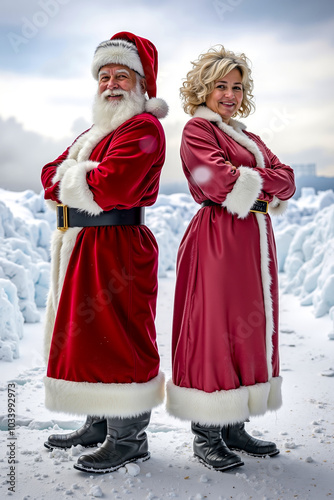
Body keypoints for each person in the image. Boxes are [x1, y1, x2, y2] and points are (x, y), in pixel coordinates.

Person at [41, 31, 168, 474]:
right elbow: (47, 175)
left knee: (122, 337)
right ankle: (99, 424)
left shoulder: (144, 128)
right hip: (85, 245)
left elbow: (112, 186)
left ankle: (129, 439)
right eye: (105, 76)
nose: (111, 84)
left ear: (141, 83)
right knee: (89, 335)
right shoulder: (100, 129)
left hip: (118, 246)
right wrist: (76, 176)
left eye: (122, 76)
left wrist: (74, 177)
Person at [166, 45, 295, 472]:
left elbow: (288, 181)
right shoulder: (196, 131)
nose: (229, 94)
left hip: (253, 240)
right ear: (203, 88)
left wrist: (253, 179)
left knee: (249, 328)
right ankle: (207, 432)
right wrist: (262, 181)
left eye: (236, 87)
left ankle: (235, 425)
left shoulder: (246, 136)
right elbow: (219, 183)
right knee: (214, 327)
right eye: (220, 85)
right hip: (218, 238)